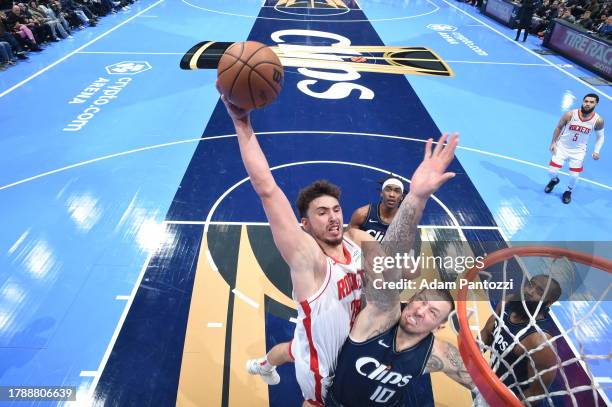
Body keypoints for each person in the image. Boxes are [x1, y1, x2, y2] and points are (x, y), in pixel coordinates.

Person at [216, 81, 459, 406]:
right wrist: (242, 123)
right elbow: (267, 189)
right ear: (304, 224)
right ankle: (267, 366)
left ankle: (262, 365)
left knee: (292, 348)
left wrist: (414, 203)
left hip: (351, 337)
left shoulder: (355, 243)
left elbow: (386, 268)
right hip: (325, 366)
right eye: (321, 212)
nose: (332, 217)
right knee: (308, 379)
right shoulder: (307, 259)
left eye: (335, 209)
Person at [327, 289, 475, 406]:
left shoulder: (438, 353)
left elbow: (478, 382)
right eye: (421, 301)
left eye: (432, 312)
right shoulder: (379, 317)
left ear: (438, 327)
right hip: (338, 402)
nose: (419, 312)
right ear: (411, 298)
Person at [480, 275, 562, 405]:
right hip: (493, 383)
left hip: (512, 399)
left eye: (539, 292)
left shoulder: (540, 341)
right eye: (530, 284)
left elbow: (535, 394)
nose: (530, 292)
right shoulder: (507, 303)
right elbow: (486, 333)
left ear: (548, 302)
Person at [545, 93, 605, 204]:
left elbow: (600, 137)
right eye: (586, 101)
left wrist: (596, 151)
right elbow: (558, 127)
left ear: (596, 104)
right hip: (562, 147)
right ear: (583, 101)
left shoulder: (598, 120)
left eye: (591, 102)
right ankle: (554, 180)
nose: (587, 104)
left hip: (578, 152)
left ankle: (568, 191)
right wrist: (553, 142)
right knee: (551, 172)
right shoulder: (570, 114)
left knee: (574, 176)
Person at [349, 176, 405, 242]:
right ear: (381, 193)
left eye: (397, 191)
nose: (392, 194)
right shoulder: (362, 214)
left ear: (401, 197)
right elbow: (347, 243)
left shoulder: (405, 222)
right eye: (388, 190)